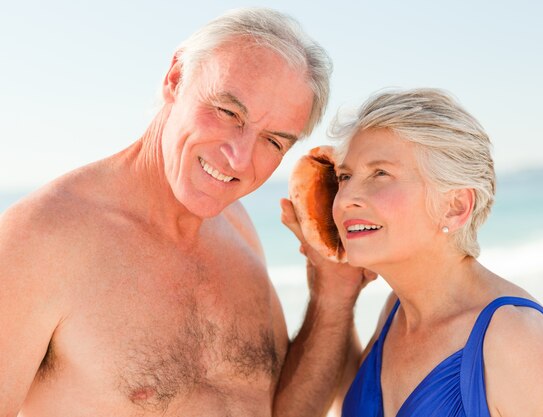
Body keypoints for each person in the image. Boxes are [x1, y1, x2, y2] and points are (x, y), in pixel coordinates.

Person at [0, 8, 372, 417]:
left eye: (273, 141)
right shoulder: (39, 239)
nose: (238, 158)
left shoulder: (239, 227)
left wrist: (332, 295)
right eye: (229, 113)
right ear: (175, 78)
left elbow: (279, 411)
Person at [281, 88, 543, 416]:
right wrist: (334, 287)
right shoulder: (397, 312)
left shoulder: (514, 337)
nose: (345, 199)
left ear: (455, 207)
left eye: (381, 174)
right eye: (345, 176)